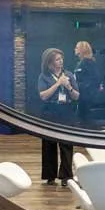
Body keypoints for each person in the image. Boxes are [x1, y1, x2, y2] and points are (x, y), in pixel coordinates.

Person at [37, 47, 78, 186]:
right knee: (49, 144)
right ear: (49, 62)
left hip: (66, 111)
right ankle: (50, 175)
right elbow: (43, 95)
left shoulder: (69, 75)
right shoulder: (44, 76)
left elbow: (77, 96)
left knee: (67, 144)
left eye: (61, 59)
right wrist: (58, 84)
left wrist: (69, 87)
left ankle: (66, 175)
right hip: (50, 111)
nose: (61, 61)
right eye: (57, 59)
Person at [72, 41, 105, 129]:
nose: (74, 49)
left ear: (82, 50)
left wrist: (77, 86)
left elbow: (95, 79)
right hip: (83, 98)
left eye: (76, 47)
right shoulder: (81, 63)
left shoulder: (88, 63)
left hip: (86, 99)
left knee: (85, 123)